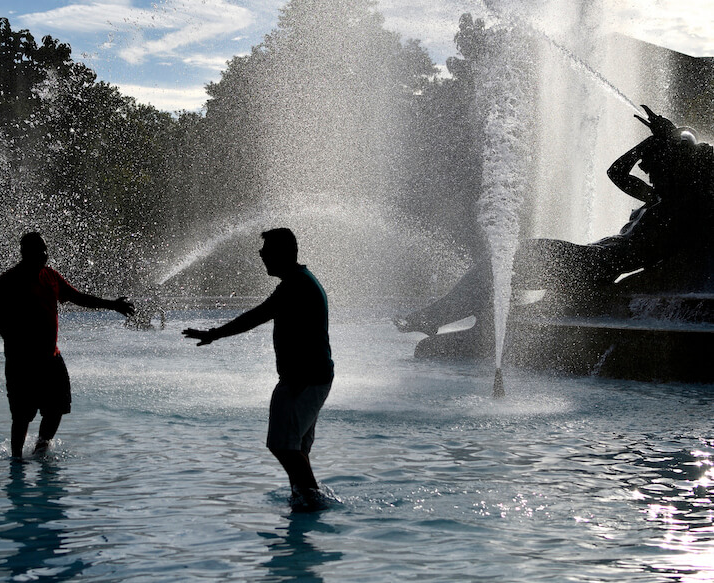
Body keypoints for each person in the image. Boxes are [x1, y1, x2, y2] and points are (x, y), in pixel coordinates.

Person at [396, 105, 714, 339]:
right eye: (648, 169)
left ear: (678, 166)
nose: (648, 173)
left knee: (509, 262)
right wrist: (654, 141)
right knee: (501, 268)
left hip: (594, 265)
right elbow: (616, 172)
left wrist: (669, 138)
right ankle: (439, 316)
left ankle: (435, 316)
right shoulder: (655, 199)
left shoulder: (683, 204)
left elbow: (698, 162)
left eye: (654, 167)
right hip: (590, 260)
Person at [182, 228, 334, 508]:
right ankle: (303, 500)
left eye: (266, 251)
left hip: (303, 379)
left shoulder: (296, 285)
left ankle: (314, 501)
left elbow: (257, 316)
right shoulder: (297, 281)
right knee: (295, 446)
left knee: (283, 445)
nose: (262, 255)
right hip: (309, 377)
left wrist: (214, 333)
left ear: (283, 253)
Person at [0, 232, 134, 460]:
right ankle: (17, 459)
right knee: (21, 415)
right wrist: (17, 347)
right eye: (38, 251)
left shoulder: (50, 276)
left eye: (45, 250)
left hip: (51, 358)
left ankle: (41, 448)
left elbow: (78, 297)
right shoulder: (10, 280)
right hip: (21, 361)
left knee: (57, 408)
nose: (44, 255)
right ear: (24, 253)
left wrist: (112, 305)